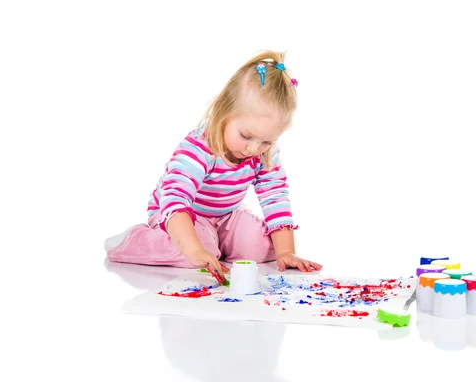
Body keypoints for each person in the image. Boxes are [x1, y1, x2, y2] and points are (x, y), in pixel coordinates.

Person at [105, 50, 322, 276]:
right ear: (224, 112)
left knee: (264, 247)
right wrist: (195, 249)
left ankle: (214, 243)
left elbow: (274, 194)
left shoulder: (265, 154)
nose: (254, 149)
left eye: (266, 141)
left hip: (226, 214)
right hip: (176, 214)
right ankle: (133, 242)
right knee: (192, 254)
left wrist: (286, 252)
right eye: (246, 136)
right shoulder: (199, 148)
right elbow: (176, 198)